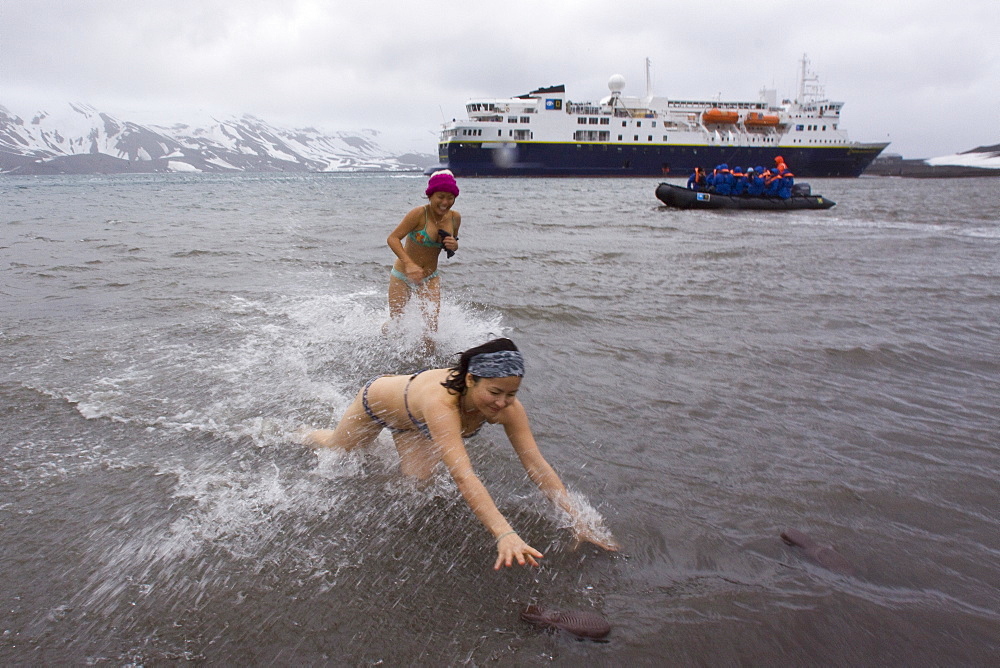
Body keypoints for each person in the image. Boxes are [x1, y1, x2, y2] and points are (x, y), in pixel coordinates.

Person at [304, 338, 620, 569]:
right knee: (338, 449)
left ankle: (394, 448)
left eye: (511, 394)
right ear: (470, 379)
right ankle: (298, 434)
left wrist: (577, 520)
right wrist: (503, 532)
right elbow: (463, 475)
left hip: (414, 425)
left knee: (418, 484)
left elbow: (535, 463)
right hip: (378, 403)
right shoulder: (442, 405)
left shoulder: (508, 408)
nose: (502, 403)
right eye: (494, 392)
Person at [385, 170, 462, 348]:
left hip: (430, 278)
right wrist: (409, 264)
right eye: (440, 196)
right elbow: (393, 238)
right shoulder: (419, 214)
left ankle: (428, 369)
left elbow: (453, 241)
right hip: (402, 276)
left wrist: (454, 245)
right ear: (430, 195)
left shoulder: (455, 217)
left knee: (431, 332)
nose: (445, 202)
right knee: (397, 327)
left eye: (450, 198)